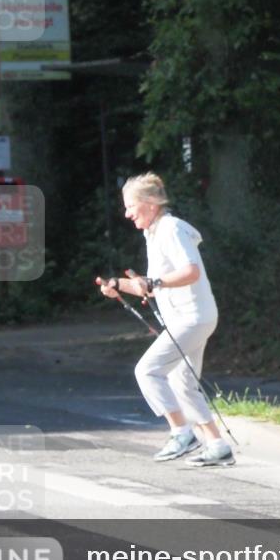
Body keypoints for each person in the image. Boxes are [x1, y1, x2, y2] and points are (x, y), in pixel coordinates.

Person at [98, 172, 235, 465]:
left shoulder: (171, 228)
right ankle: (217, 445)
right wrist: (117, 285)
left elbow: (190, 272)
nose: (126, 213)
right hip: (189, 319)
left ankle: (181, 433)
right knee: (181, 381)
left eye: (130, 206)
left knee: (147, 371)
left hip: (192, 317)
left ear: (148, 203)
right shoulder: (155, 233)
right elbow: (150, 284)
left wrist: (155, 283)